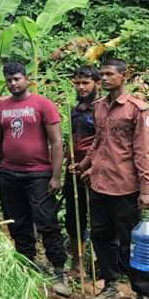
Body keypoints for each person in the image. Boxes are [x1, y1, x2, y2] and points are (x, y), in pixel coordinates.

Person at [74, 59, 149, 299]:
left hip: (125, 187)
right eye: (102, 75)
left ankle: (142, 295)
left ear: (124, 76)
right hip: (99, 184)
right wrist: (85, 164)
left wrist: (146, 189)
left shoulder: (137, 110)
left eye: (110, 74)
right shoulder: (99, 107)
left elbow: (143, 152)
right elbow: (98, 142)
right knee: (101, 237)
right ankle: (111, 286)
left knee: (131, 241)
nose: (105, 79)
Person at [0, 62, 70, 297]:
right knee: (17, 222)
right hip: (8, 173)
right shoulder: (0, 109)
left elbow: (56, 142)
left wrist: (56, 175)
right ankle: (27, 263)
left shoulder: (43, 105)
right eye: (9, 79)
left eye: (17, 79)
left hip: (38, 173)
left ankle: (59, 270)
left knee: (46, 222)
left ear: (27, 79)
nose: (13, 83)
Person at [64, 65, 99, 272]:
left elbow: (103, 142)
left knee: (99, 219)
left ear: (97, 84)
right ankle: (77, 265)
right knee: (74, 217)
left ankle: (100, 266)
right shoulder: (74, 111)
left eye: (86, 83)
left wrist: (90, 165)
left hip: (95, 171)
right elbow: (72, 140)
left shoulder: (102, 109)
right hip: (74, 169)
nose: (80, 87)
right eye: (77, 83)